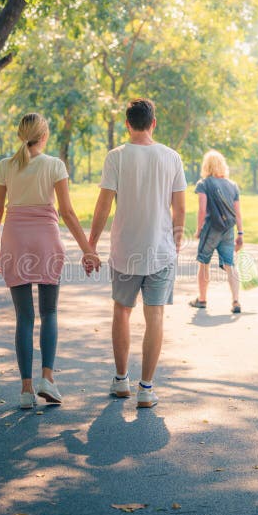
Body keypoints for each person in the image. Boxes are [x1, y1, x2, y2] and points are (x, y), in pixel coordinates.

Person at [0, 113, 100, 410]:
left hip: (14, 240)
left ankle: (26, 390)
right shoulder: (55, 165)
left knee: (24, 318)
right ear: (44, 135)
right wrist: (87, 249)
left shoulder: (4, 167)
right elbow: (67, 213)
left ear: (20, 134)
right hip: (46, 241)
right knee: (49, 312)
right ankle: (47, 379)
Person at [88, 98, 187, 409]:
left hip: (125, 249)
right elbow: (180, 206)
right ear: (153, 123)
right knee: (155, 314)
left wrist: (90, 245)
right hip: (160, 249)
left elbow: (103, 205)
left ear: (127, 124)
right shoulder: (172, 157)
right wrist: (177, 238)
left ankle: (121, 381)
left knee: (122, 311)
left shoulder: (116, 157)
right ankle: (146, 388)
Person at [189, 150, 244, 313]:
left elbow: (202, 209)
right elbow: (238, 213)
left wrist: (199, 230)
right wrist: (240, 233)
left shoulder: (204, 183)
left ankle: (202, 299)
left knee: (204, 263)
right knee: (230, 264)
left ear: (206, 165)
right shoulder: (232, 185)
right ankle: (235, 301)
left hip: (211, 229)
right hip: (228, 229)